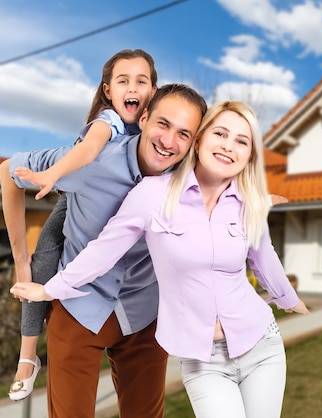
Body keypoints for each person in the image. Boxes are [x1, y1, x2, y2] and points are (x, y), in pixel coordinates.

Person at [11, 100, 311, 418]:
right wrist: (50, 290)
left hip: (260, 343)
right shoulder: (153, 195)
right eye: (220, 134)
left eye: (241, 141)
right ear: (200, 139)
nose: (228, 146)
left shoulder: (248, 203)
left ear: (249, 155)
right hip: (202, 357)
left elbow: (264, 258)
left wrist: (289, 299)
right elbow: (104, 250)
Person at [1, 82, 207, 417]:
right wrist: (22, 258)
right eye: (163, 124)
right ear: (143, 119)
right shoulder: (89, 161)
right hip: (79, 304)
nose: (169, 142)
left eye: (184, 134)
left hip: (145, 311)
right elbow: (8, 173)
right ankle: (28, 358)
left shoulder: (189, 184)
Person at [6, 48, 158, 403]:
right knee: (41, 261)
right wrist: (53, 176)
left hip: (140, 304)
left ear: (153, 90)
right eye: (123, 80)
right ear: (108, 90)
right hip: (74, 189)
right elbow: (89, 150)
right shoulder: (108, 123)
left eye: (142, 80)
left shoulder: (162, 135)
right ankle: (28, 357)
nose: (132, 87)